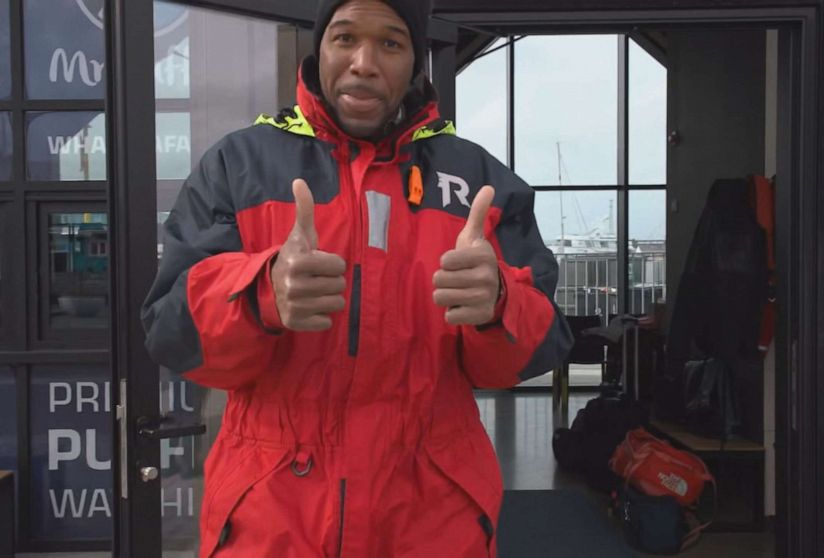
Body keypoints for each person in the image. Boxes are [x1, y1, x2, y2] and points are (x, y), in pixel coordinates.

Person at [141, 0, 572, 555]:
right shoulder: (239, 165)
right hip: (272, 518)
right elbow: (171, 333)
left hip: (433, 516)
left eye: (391, 43)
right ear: (318, 50)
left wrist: (499, 304)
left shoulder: (480, 180)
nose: (364, 62)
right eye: (345, 38)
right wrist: (259, 295)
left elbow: (537, 351)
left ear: (416, 62)